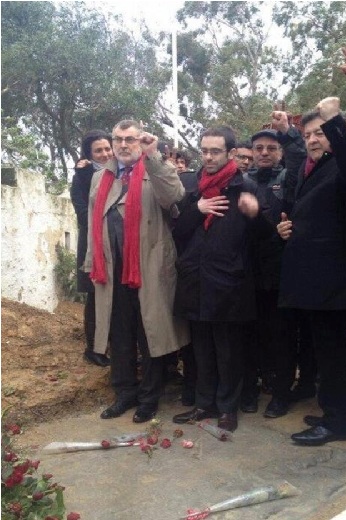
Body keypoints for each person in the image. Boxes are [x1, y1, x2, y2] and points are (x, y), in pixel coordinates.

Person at [277, 97, 346, 446]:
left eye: (320, 132)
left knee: (334, 354)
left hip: (331, 281)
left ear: (336, 134)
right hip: (313, 281)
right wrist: (287, 229)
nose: (313, 140)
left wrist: (335, 118)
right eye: (308, 135)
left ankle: (341, 422)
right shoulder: (316, 170)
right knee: (326, 352)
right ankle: (335, 411)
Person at [84, 119, 189, 423]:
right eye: (118, 139)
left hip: (149, 269)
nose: (123, 145)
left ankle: (149, 398)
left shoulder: (154, 170)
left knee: (149, 334)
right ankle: (124, 393)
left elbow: (174, 196)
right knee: (119, 335)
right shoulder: (100, 176)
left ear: (141, 141)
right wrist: (93, 263)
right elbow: (93, 223)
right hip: (111, 271)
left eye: (130, 139)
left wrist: (154, 156)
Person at [172, 125, 270, 432]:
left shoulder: (246, 188)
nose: (209, 157)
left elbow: (266, 241)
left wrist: (256, 215)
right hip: (196, 282)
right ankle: (204, 405)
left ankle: (228, 408)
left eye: (215, 151)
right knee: (201, 350)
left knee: (228, 352)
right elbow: (178, 233)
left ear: (230, 153)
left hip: (229, 284)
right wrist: (197, 210)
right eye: (204, 151)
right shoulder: (193, 188)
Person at [240, 127, 308, 418]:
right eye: (259, 148)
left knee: (282, 336)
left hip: (282, 271)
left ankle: (281, 394)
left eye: (271, 147)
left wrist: (290, 134)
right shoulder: (242, 181)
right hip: (248, 271)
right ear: (252, 152)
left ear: (279, 152)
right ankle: (250, 391)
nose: (265, 153)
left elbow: (299, 159)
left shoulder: (289, 179)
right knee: (250, 334)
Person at [70, 129, 113, 367]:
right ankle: (93, 349)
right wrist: (85, 175)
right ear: (89, 154)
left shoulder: (118, 173)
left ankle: (114, 345)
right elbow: (83, 213)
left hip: (116, 244)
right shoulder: (82, 178)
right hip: (93, 244)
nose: (105, 153)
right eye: (99, 150)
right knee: (96, 298)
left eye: (108, 148)